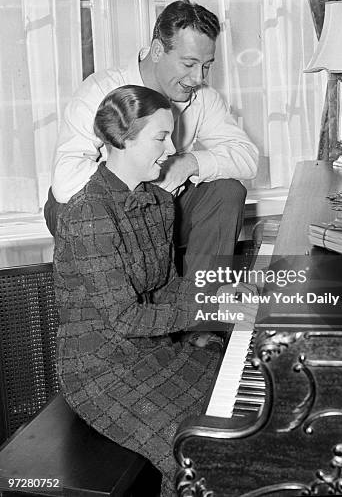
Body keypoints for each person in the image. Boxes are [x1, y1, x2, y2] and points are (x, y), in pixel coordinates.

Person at [54, 85, 255, 497]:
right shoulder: (88, 214)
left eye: (173, 136)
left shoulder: (158, 203)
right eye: (161, 138)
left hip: (151, 349)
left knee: (240, 409)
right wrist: (210, 307)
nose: (171, 149)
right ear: (122, 139)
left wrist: (224, 292)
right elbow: (125, 318)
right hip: (98, 369)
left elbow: (164, 288)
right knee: (197, 455)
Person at [45, 0, 258, 278]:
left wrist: (189, 163)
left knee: (227, 190)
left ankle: (203, 309)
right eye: (189, 64)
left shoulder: (203, 97)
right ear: (158, 50)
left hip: (162, 212)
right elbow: (64, 182)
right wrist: (147, 183)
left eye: (207, 66)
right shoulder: (99, 90)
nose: (198, 78)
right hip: (99, 215)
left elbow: (248, 158)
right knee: (70, 206)